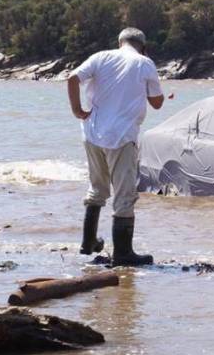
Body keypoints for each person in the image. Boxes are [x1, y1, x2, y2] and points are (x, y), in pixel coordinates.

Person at [67, 27, 164, 266]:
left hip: (92, 133)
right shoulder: (145, 63)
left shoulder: (100, 57)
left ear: (120, 42)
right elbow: (157, 103)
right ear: (143, 46)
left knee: (96, 187)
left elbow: (72, 78)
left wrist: (77, 110)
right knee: (124, 194)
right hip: (122, 136)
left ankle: (88, 242)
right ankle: (123, 253)